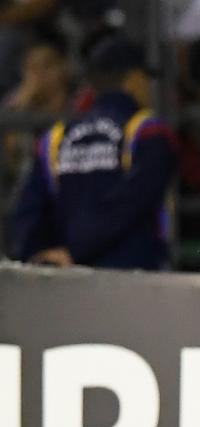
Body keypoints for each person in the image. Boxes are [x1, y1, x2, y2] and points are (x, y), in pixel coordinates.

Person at [7, 35, 177, 269]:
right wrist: (76, 250)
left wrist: (39, 256)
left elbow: (29, 208)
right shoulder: (147, 131)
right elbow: (130, 204)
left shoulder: (55, 138)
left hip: (65, 279)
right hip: (135, 276)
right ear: (134, 79)